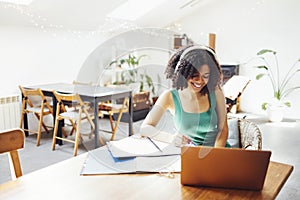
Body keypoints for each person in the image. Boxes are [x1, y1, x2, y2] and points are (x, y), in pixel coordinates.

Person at [140, 45, 230, 147]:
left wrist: (215, 154)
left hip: (218, 150)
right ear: (183, 72)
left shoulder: (216, 91)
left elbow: (223, 129)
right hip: (189, 153)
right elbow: (145, 128)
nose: (200, 81)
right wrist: (170, 138)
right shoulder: (169, 96)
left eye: (205, 76)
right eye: (194, 75)